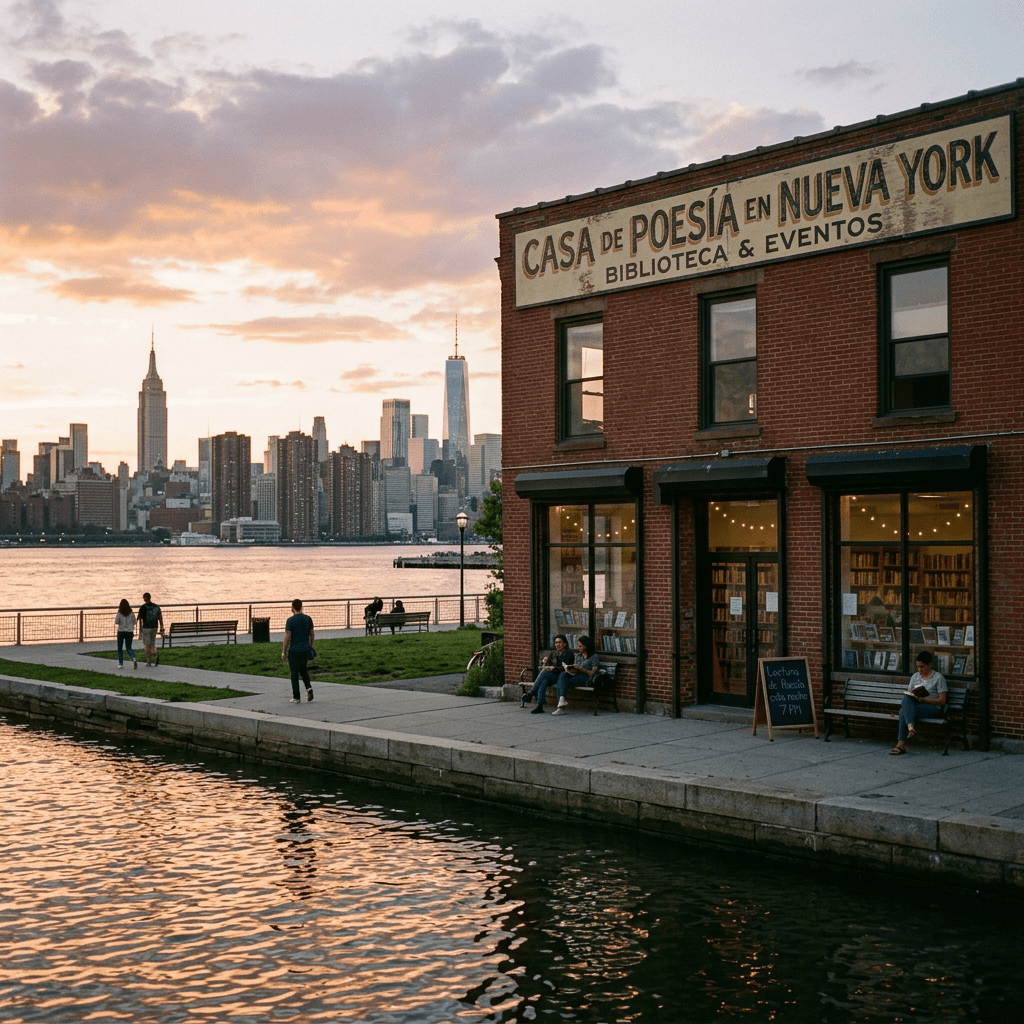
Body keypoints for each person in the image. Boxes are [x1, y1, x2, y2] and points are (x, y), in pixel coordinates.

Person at [890, 650, 947, 754]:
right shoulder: (915, 676)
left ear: (930, 664)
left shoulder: (938, 678)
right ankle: (910, 728)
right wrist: (914, 696)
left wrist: (925, 699)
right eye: (918, 667)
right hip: (916, 705)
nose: (920, 669)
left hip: (932, 707)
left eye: (922, 667)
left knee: (903, 711)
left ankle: (901, 744)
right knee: (906, 699)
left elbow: (942, 700)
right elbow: (910, 693)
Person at [522, 634, 575, 713]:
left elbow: (566, 668)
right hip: (552, 676)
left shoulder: (569, 654)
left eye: (560, 642)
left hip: (562, 677)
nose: (557, 645)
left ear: (565, 644)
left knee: (544, 673)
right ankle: (539, 705)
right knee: (544, 680)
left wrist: (553, 668)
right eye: (556, 643)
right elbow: (548, 665)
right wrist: (545, 663)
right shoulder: (553, 653)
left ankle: (531, 693)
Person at [551, 635, 601, 715]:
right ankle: (561, 700)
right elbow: (575, 670)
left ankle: (561, 707)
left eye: (580, 646)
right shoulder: (578, 656)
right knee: (563, 675)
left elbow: (592, 673)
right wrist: (570, 669)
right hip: (576, 676)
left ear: (586, 646)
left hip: (586, 678)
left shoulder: (593, 657)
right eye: (578, 646)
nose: (578, 648)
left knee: (561, 682)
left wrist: (581, 668)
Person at [282, 598, 315, 704]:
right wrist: (310, 645)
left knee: (294, 673)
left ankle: (296, 696)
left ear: (292, 607)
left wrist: (283, 651)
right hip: (305, 649)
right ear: (301, 606)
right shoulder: (308, 619)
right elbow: (312, 633)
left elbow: (287, 635)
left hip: (294, 650)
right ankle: (308, 687)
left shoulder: (290, 621)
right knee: (304, 670)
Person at [137, 592, 164, 668]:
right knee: (152, 643)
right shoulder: (156, 607)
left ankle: (148, 661)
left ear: (145, 598)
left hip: (146, 627)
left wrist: (140, 631)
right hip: (154, 627)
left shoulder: (143, 607)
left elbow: (139, 618)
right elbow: (160, 617)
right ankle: (156, 653)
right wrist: (161, 626)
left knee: (146, 645)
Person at [114, 598, 138, 670]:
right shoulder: (131, 613)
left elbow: (116, 621)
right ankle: (133, 658)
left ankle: (120, 663)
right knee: (128, 647)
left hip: (121, 631)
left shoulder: (119, 613)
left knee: (120, 647)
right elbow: (135, 621)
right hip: (129, 632)